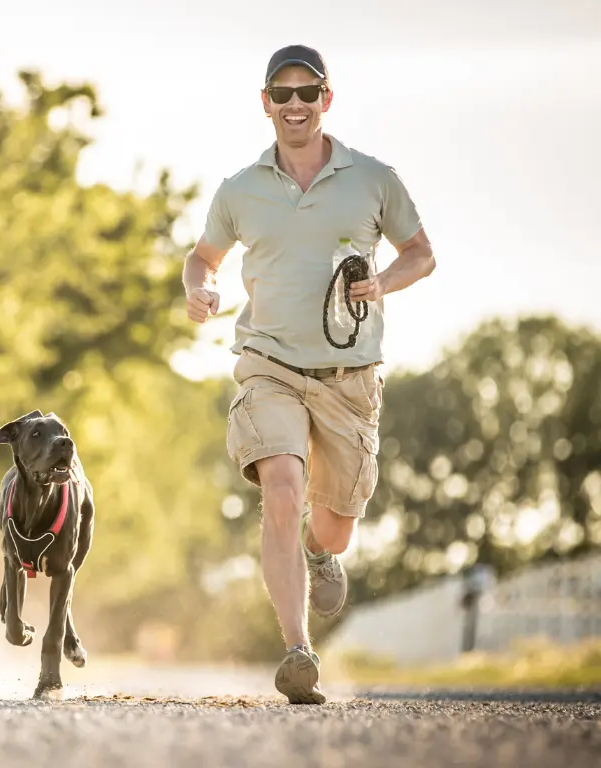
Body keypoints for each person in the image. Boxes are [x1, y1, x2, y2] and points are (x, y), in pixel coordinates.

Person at [181, 44, 436, 704]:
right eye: (282, 93)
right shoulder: (239, 189)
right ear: (265, 103)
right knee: (282, 487)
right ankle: (298, 651)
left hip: (350, 379)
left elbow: (421, 255)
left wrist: (382, 282)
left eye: (307, 92)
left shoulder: (373, 179)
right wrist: (200, 289)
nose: (295, 104)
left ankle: (323, 556)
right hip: (268, 366)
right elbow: (201, 257)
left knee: (334, 522)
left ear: (327, 98)